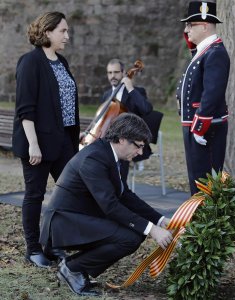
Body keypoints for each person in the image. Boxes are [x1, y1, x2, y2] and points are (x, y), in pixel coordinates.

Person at [40, 113, 173, 297]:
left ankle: (75, 267)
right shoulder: (94, 158)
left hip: (81, 216)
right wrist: (151, 229)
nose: (141, 153)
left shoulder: (108, 153)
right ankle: (73, 268)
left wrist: (159, 220)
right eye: (139, 146)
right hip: (63, 222)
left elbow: (125, 196)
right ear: (122, 139)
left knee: (135, 233)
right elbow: (110, 205)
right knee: (130, 237)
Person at [12, 12, 80, 268]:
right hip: (37, 143)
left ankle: (53, 244)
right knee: (35, 195)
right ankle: (32, 248)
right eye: (63, 31)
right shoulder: (30, 62)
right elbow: (26, 108)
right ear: (48, 31)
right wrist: (33, 144)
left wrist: (73, 131)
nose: (67, 36)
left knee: (69, 193)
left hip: (64, 141)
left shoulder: (61, 61)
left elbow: (64, 102)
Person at [176, 1, 230, 195]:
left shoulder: (215, 53)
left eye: (190, 25)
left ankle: (205, 224)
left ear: (204, 25)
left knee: (204, 184)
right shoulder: (204, 51)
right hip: (198, 127)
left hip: (206, 130)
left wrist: (199, 127)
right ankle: (198, 222)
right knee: (197, 180)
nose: (186, 29)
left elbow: (212, 92)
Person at [101, 58, 154, 182]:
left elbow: (146, 109)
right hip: (110, 139)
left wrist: (130, 88)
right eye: (109, 73)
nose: (112, 76)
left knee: (119, 148)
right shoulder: (106, 95)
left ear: (124, 72)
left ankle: (120, 189)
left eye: (116, 72)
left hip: (129, 140)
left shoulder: (137, 92)